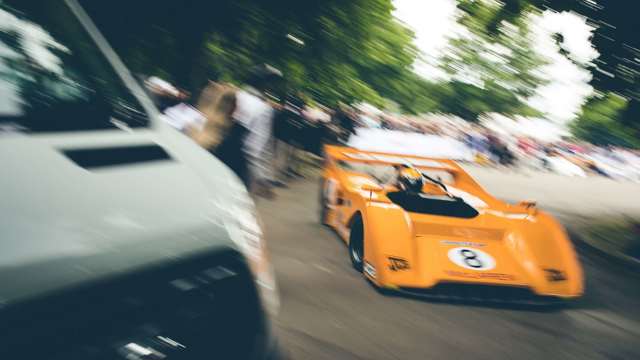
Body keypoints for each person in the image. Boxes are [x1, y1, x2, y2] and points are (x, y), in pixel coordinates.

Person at [233, 64, 283, 198]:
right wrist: (262, 179)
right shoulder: (263, 108)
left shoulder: (236, 95)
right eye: (270, 83)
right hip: (240, 166)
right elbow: (253, 148)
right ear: (264, 84)